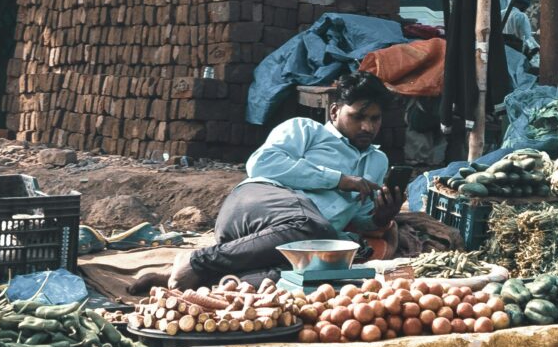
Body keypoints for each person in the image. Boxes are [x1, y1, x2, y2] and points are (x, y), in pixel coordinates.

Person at [166, 73, 397, 287]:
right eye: (358, 117)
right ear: (334, 112)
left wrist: (380, 217)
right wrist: (338, 180)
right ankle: (197, 261)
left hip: (287, 241)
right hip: (254, 205)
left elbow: (357, 218)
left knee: (302, 276)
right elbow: (260, 163)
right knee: (313, 228)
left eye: (375, 119)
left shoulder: (379, 161)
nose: (368, 126)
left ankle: (205, 278)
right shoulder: (305, 129)